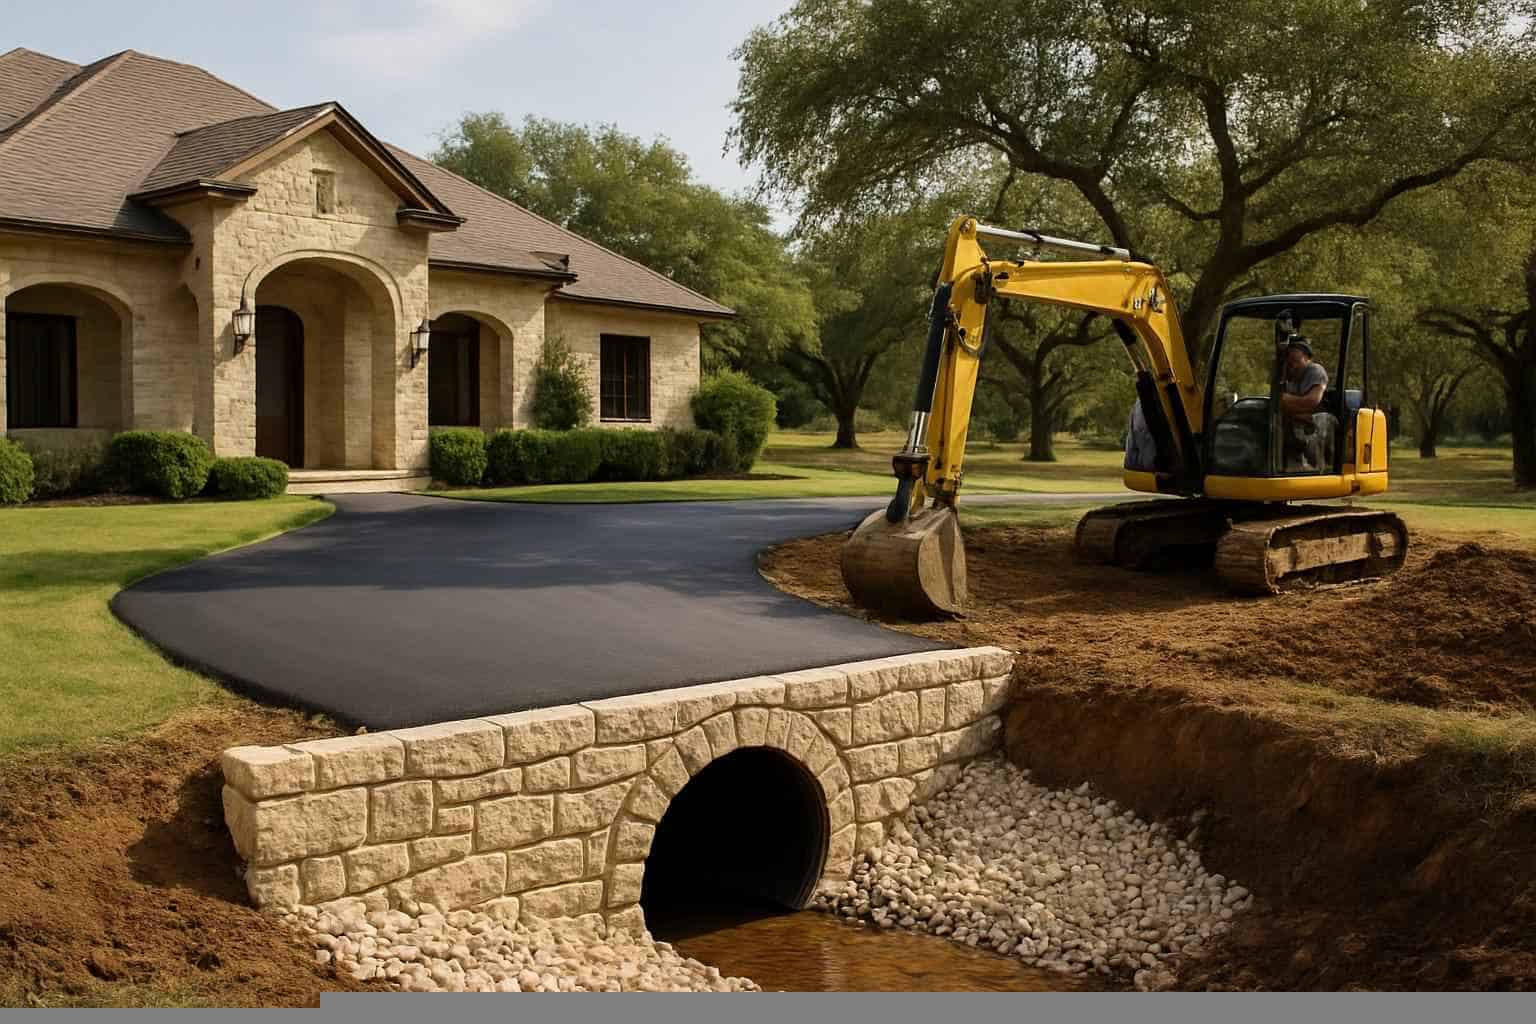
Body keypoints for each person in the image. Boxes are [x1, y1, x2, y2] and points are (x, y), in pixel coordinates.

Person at [1278, 337, 1330, 470]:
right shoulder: (1291, 378)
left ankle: (1314, 469)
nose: (1292, 365)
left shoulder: (1315, 370)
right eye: (1290, 362)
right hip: (1298, 426)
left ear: (1307, 357)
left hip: (1316, 426)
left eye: (1296, 361)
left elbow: (1310, 402)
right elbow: (1281, 407)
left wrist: (1286, 400)